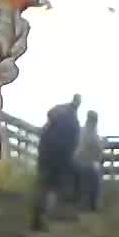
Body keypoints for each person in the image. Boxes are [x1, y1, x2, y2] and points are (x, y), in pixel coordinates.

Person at [33, 95, 80, 229]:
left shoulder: (53, 119)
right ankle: (50, 218)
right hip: (60, 159)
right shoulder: (72, 120)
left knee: (42, 188)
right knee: (54, 189)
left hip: (45, 158)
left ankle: (37, 219)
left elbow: (42, 137)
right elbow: (74, 143)